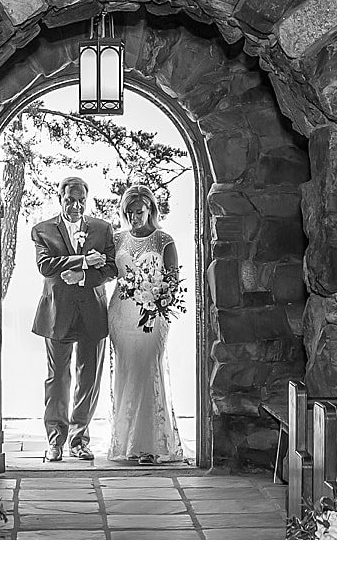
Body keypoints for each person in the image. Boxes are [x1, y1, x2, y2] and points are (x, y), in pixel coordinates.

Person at [31, 176, 118, 462]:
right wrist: (82, 260)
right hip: (58, 315)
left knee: (89, 379)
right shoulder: (43, 231)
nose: (76, 206)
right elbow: (46, 266)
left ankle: (79, 440)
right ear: (60, 198)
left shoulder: (103, 229)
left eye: (81, 200)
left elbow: (111, 269)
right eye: (70, 200)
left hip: (93, 313)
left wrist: (83, 277)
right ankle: (56, 440)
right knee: (57, 379)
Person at [107, 184, 184, 465]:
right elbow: (105, 273)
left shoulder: (164, 240)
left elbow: (173, 281)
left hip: (153, 315)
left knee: (148, 369)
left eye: (138, 211)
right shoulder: (116, 239)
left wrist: (157, 296)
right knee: (127, 372)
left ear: (150, 209)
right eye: (128, 212)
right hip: (121, 314)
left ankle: (151, 446)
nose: (133, 217)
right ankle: (126, 443)